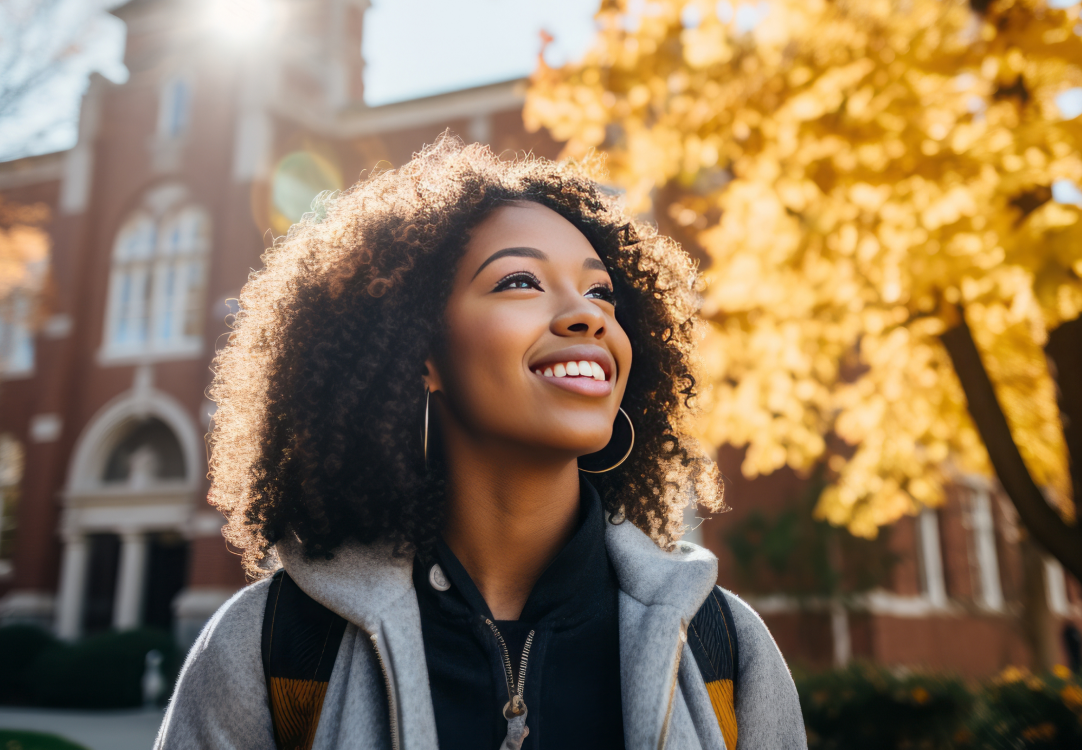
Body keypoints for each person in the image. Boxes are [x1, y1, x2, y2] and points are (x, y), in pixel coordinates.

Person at [154, 136, 806, 749]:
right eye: (519, 281)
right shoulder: (274, 647)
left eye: (601, 291)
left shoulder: (724, 646)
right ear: (420, 353)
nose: (589, 315)